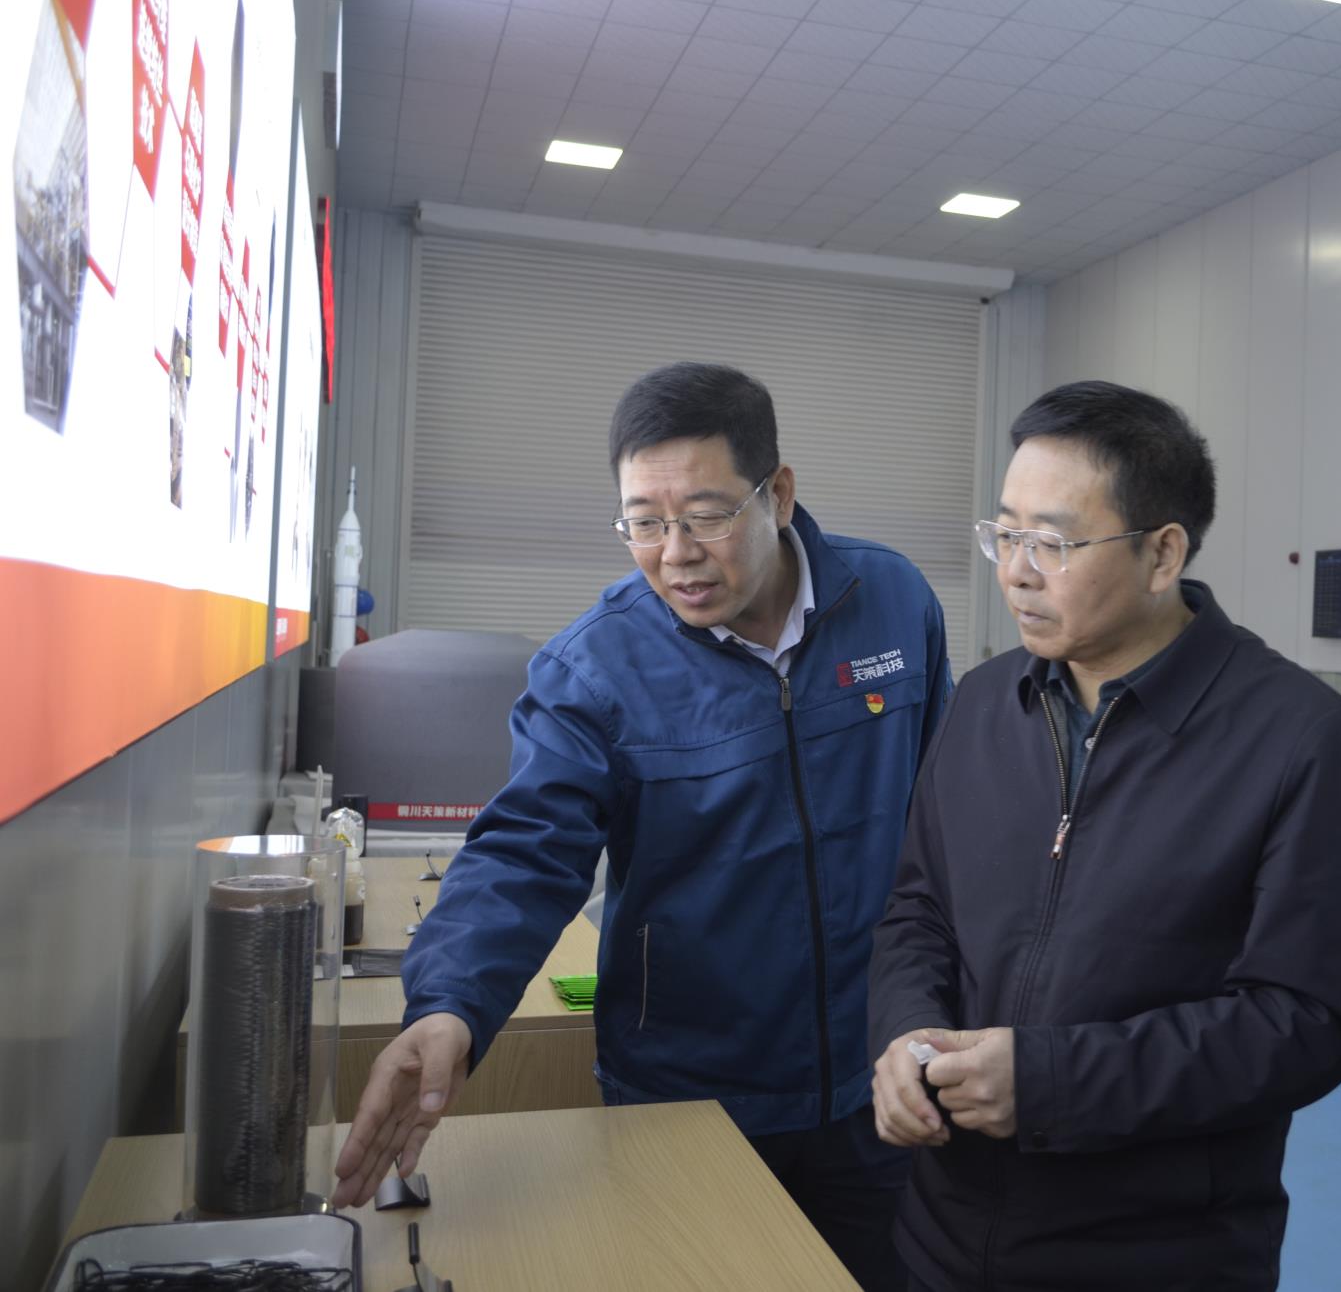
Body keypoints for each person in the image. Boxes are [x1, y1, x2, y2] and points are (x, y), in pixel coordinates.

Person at [330, 363, 952, 1292]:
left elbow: (945, 826)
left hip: (883, 1086)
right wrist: (450, 1003)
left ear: (778, 494)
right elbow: (524, 850)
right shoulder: (595, 667)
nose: (675, 554)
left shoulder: (892, 600)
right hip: (689, 1095)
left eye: (705, 515)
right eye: (644, 523)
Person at [868, 381, 1341, 1291]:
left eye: (1053, 542)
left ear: (1162, 553)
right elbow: (920, 909)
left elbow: (1305, 1023)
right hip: (941, 1240)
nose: (1016, 571)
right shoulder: (986, 702)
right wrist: (909, 1034)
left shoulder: (1304, 741)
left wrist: (1049, 1081)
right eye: (1005, 534)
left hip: (1154, 1255)